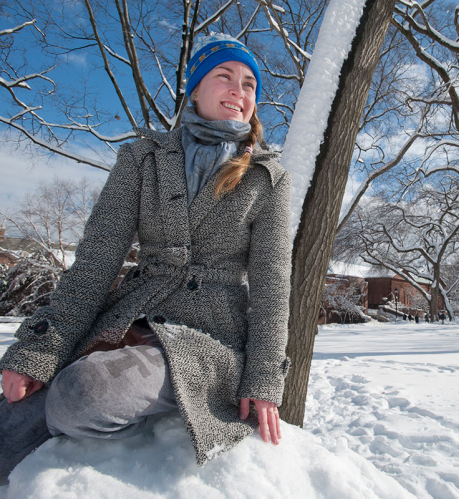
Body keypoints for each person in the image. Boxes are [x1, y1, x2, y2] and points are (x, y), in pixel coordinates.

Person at [0, 33, 292, 484]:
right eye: (225, 76)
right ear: (194, 88)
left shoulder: (267, 178)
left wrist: (263, 378)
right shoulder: (142, 158)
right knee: (13, 413)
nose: (240, 90)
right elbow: (96, 261)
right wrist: (42, 346)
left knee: (80, 394)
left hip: (207, 338)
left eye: (250, 84)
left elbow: (273, 289)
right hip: (130, 314)